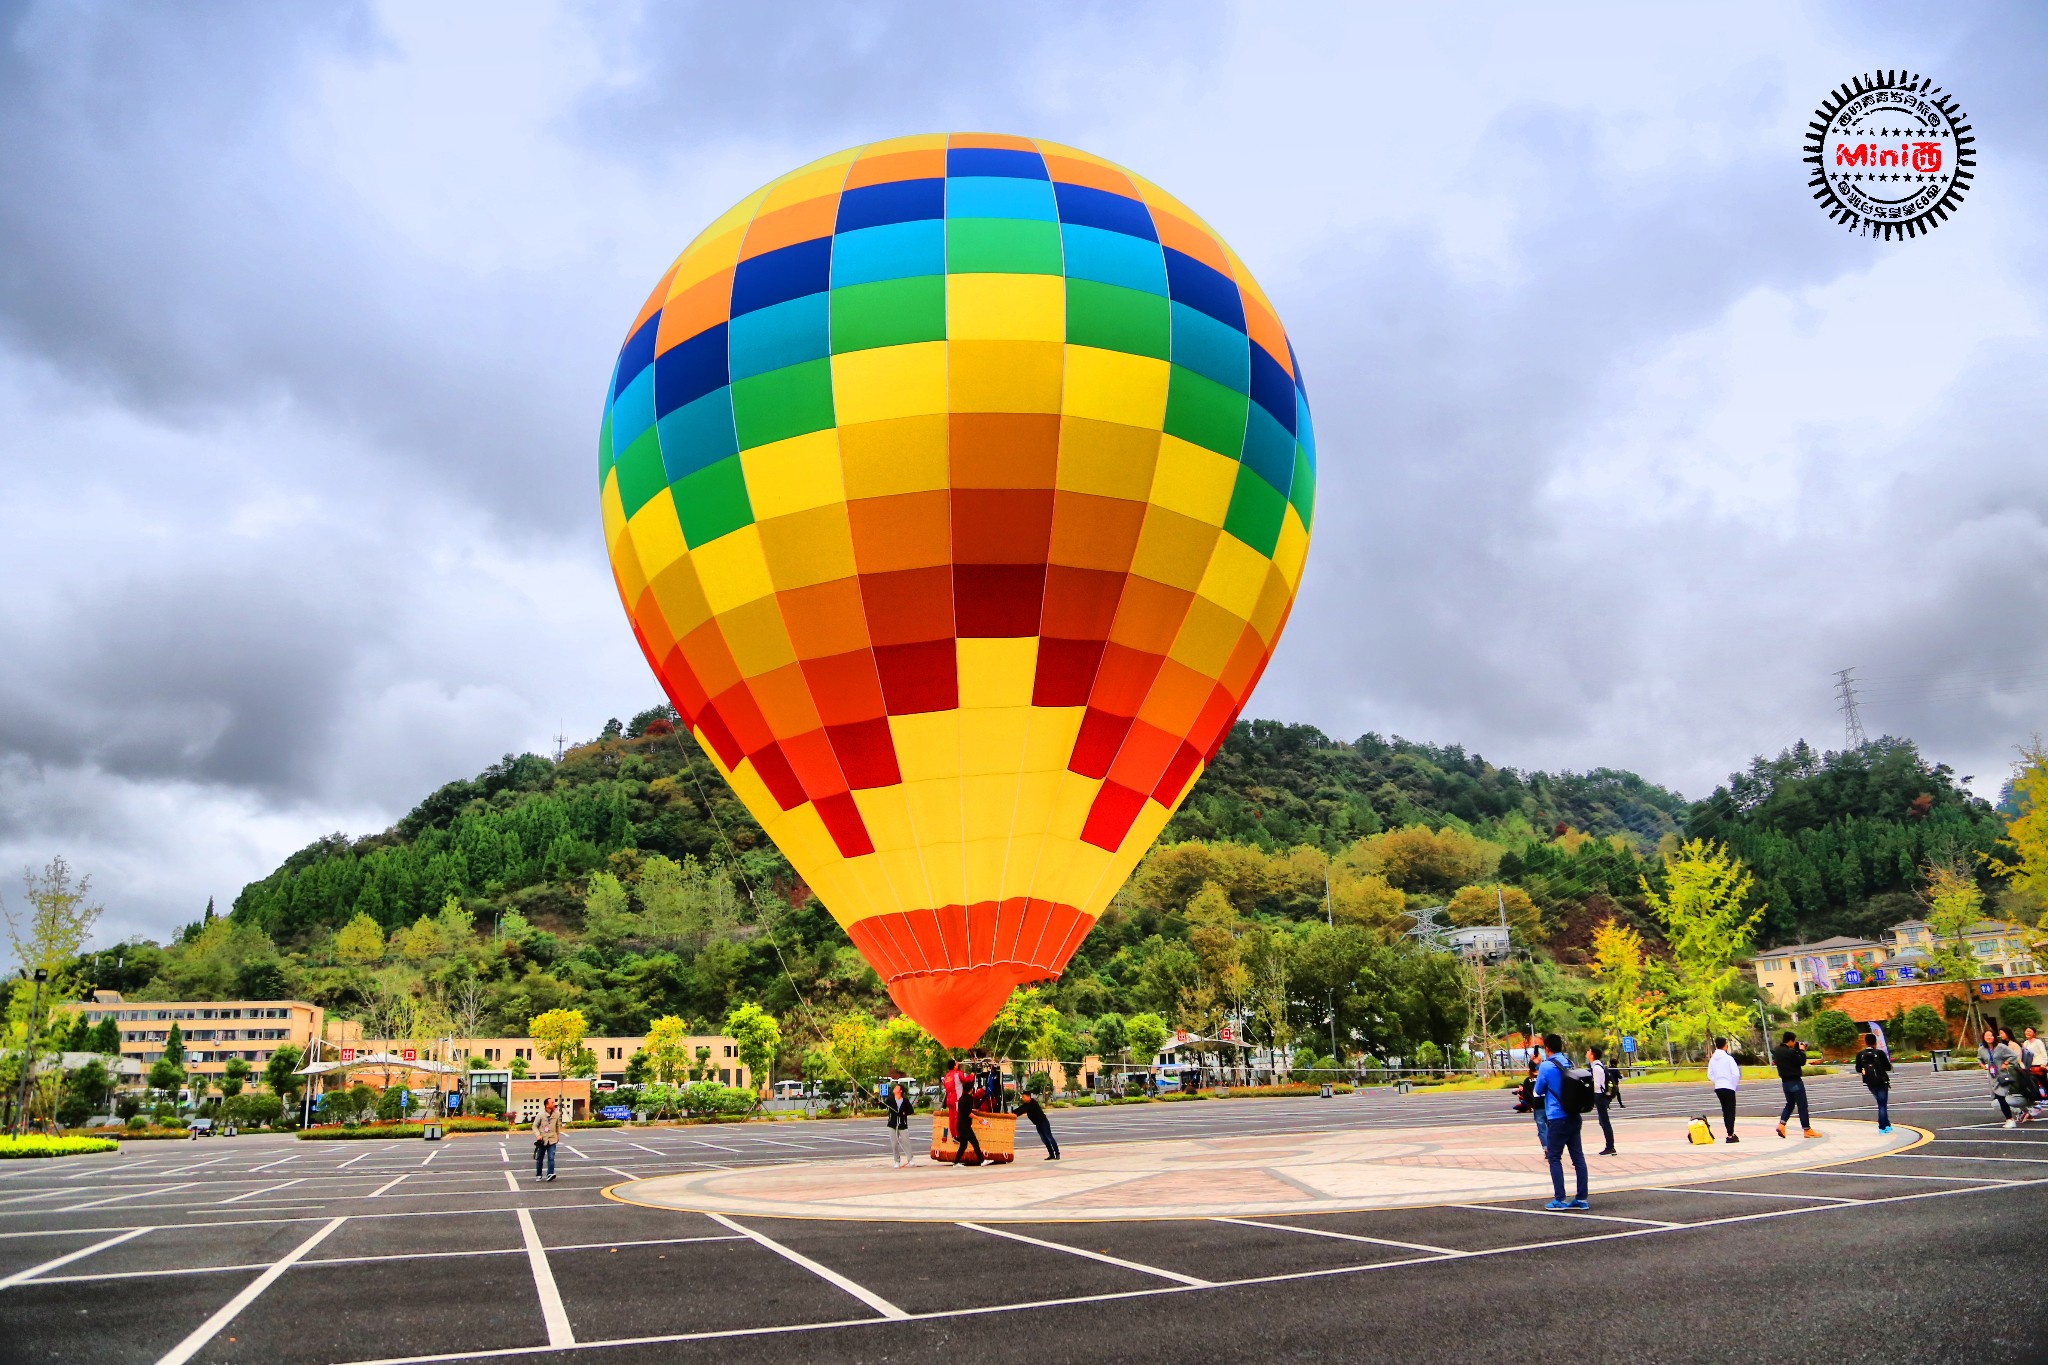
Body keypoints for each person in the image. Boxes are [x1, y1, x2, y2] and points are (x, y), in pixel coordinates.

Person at [1532, 1033, 1588, 1210]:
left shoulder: (1546, 1066)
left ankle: (1560, 1198)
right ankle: (1581, 1198)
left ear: (1546, 1048)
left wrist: (1537, 1065)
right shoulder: (1569, 1062)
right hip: (1574, 1115)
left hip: (1557, 1116)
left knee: (1554, 1157)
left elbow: (1538, 1090)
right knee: (1578, 1157)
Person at [1773, 1031, 1817, 1139]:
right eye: (1794, 1041)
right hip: (1795, 1081)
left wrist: (1797, 1050)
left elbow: (1791, 1059)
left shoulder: (1777, 1051)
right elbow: (1801, 1061)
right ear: (1791, 1040)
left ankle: (1781, 1125)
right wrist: (1802, 1050)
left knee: (1790, 1104)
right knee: (1802, 1105)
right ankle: (1807, 1129)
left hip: (1785, 1082)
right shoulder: (1789, 1052)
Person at [948, 1059, 985, 1165]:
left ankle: (956, 1161)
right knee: (975, 1143)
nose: (958, 1064)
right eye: (957, 1063)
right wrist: (973, 1073)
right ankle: (982, 1160)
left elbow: (965, 1110)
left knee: (952, 1117)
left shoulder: (947, 1076)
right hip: (964, 1125)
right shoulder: (958, 1075)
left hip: (949, 1099)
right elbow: (966, 1079)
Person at [1853, 1031, 1893, 1133]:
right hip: (1881, 1081)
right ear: (1875, 1042)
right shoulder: (1879, 1053)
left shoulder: (1860, 1054)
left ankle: (1887, 1124)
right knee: (1882, 1104)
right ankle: (1882, 1127)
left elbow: (1858, 1069)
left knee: (1880, 1103)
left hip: (1869, 1082)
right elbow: (1887, 1067)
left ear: (1865, 1042)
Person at [1706, 1037, 1741, 1142]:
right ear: (1725, 1045)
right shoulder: (1728, 1059)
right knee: (1730, 1110)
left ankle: (1730, 1132)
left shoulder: (1713, 1059)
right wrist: (1733, 1084)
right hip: (1729, 1086)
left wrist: (1717, 1081)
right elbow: (1735, 1074)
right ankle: (1730, 1134)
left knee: (1725, 1110)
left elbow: (1709, 1074)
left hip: (1719, 1087)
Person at [1015, 1087, 1060, 1159]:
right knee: (1044, 1140)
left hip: (1043, 1122)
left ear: (1028, 1097)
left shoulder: (1032, 1103)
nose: (1022, 1098)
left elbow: (1022, 1111)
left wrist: (1015, 1114)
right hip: (1038, 1124)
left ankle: (1057, 1153)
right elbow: (1019, 1109)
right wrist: (1010, 1114)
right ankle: (1051, 1155)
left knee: (1049, 1138)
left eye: (1023, 1097)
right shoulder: (1026, 1104)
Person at [1981, 1027, 2015, 1122]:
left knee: (2001, 1097)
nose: (1989, 1037)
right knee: (1998, 1099)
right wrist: (1982, 1064)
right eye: (1986, 1036)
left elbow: (2013, 1055)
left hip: (2002, 1076)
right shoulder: (1982, 1049)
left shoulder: (2001, 1047)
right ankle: (2019, 1111)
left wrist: (2006, 1063)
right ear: (1983, 1037)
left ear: (1994, 1037)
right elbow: (1979, 1058)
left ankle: (2010, 1119)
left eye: (1991, 1035)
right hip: (1992, 1077)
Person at [1587, 1045, 1616, 1155]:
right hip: (1601, 1096)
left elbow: (1597, 1085)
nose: (1587, 1052)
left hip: (1600, 1096)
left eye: (1589, 1051)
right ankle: (1610, 1146)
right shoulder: (1597, 1066)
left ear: (1592, 1055)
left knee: (1605, 1121)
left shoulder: (1596, 1068)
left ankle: (1610, 1146)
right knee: (1603, 1121)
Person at [885, 1081, 916, 1168]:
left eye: (897, 1088)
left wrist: (904, 1113)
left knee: (906, 1143)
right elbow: (883, 1106)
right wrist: (877, 1102)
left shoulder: (905, 1101)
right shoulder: (890, 1100)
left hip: (902, 1125)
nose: (895, 1089)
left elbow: (911, 1110)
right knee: (894, 1144)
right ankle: (897, 1161)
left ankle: (910, 1160)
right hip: (892, 1125)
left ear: (901, 1091)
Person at [532, 1097, 562, 1182]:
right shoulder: (540, 1115)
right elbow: (534, 1126)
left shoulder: (556, 1115)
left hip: (552, 1139)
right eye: (552, 1102)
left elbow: (557, 1126)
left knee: (551, 1157)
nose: (554, 1104)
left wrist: (557, 1136)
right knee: (539, 1158)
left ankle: (550, 1173)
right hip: (542, 1140)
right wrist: (538, 1135)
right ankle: (538, 1174)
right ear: (547, 1105)